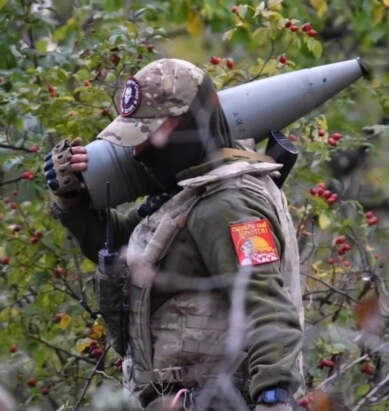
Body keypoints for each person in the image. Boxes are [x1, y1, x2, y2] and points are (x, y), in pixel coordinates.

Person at [44, 58, 303, 410]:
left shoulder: (227, 204)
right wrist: (73, 202)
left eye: (149, 134)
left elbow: (268, 310)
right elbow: (128, 250)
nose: (138, 151)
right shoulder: (189, 191)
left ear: (189, 123)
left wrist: (273, 399)